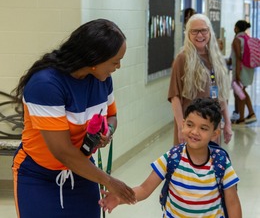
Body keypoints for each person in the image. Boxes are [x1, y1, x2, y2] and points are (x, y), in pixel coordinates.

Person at [11, 19, 136, 217]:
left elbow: (112, 116)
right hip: (39, 177)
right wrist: (109, 181)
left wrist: (107, 132)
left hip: (82, 172)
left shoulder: (102, 80)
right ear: (94, 60)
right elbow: (63, 151)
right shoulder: (46, 84)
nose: (118, 66)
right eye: (115, 61)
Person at [99, 98, 242, 218]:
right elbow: (144, 189)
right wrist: (119, 197)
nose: (194, 132)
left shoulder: (220, 162)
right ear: (183, 124)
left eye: (203, 128)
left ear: (215, 134)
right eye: (190, 125)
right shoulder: (173, 157)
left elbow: (232, 203)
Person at [168, 13, 232, 146]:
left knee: (210, 163)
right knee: (189, 163)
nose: (200, 35)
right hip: (191, 128)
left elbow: (221, 95)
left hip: (211, 125)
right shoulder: (182, 59)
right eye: (195, 31)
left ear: (210, 32)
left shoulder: (216, 59)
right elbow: (175, 97)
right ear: (188, 34)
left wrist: (227, 123)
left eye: (203, 30)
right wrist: (181, 128)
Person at [231, 20, 257, 125]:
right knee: (241, 92)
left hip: (241, 69)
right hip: (248, 68)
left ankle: (245, 116)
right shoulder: (247, 38)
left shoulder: (237, 40)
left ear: (236, 28)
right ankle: (247, 115)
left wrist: (237, 74)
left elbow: (238, 58)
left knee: (240, 92)